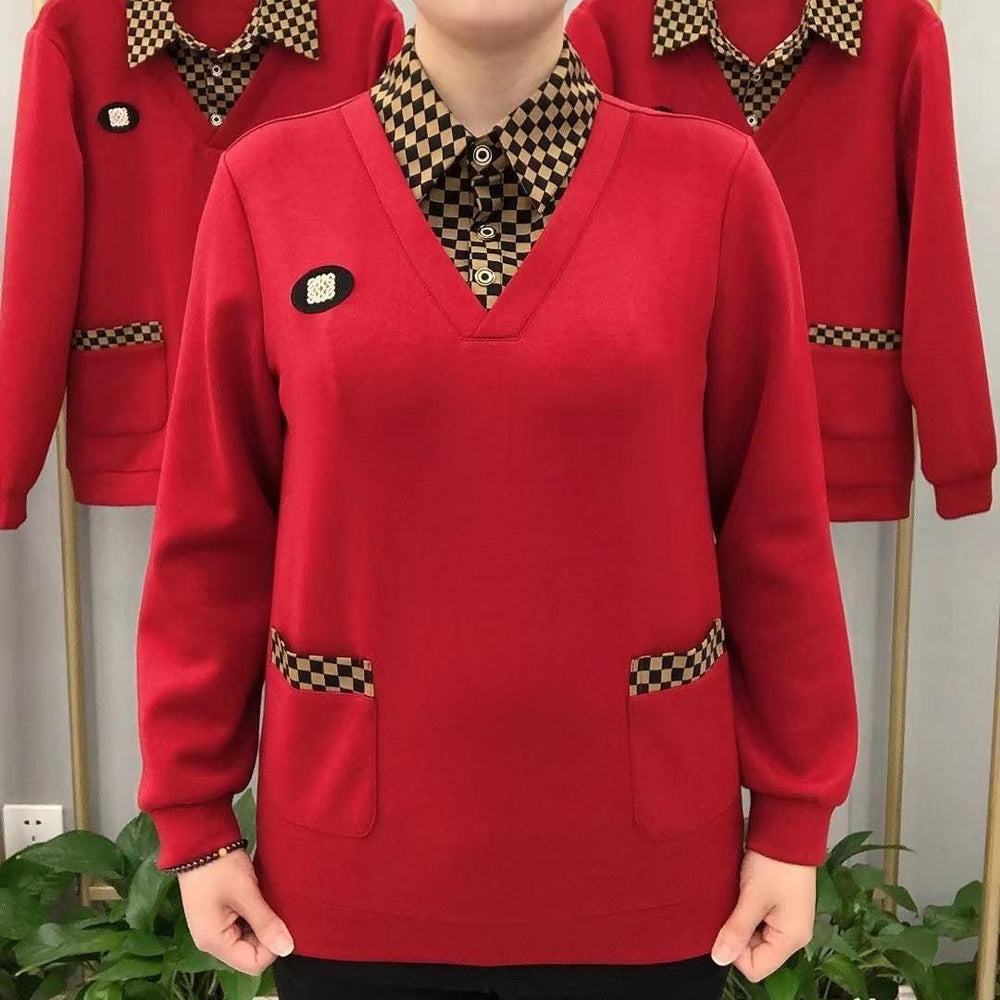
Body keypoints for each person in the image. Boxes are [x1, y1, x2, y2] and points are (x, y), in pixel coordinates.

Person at [134, 1, 860, 998]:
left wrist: (791, 815)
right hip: (350, 869)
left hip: (642, 869)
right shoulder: (267, 187)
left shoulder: (715, 186)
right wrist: (195, 815)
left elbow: (773, 526)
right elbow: (214, 532)